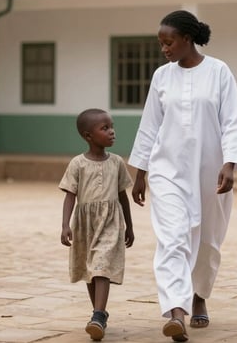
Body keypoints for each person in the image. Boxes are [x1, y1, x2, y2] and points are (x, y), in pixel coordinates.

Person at [128, 10, 237, 342]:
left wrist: (231, 163)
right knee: (173, 237)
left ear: (187, 39)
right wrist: (140, 173)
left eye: (169, 42)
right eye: (161, 43)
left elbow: (233, 120)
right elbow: (149, 125)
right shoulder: (161, 77)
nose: (164, 49)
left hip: (212, 172)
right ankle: (176, 311)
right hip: (168, 170)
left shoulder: (219, 72)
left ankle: (199, 296)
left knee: (209, 240)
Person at [60, 108, 135, 341]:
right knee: (90, 270)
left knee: (101, 264)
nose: (112, 132)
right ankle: (98, 316)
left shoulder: (117, 163)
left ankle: (99, 314)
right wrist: (65, 225)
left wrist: (130, 226)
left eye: (112, 126)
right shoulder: (77, 164)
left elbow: (123, 196)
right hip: (84, 224)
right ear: (88, 136)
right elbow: (70, 195)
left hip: (111, 222)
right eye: (105, 128)